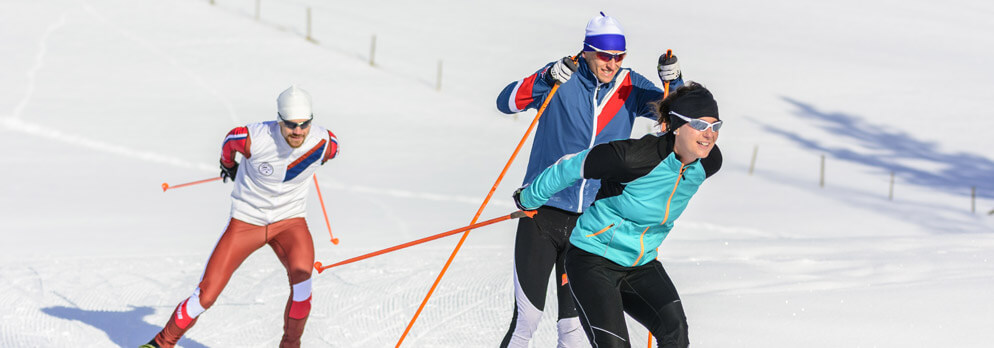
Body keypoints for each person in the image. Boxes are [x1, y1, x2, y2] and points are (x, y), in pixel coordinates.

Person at [495, 12, 684, 347]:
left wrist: (677, 82)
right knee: (527, 320)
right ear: (587, 52)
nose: (612, 64)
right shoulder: (561, 78)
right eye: (605, 56)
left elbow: (675, 121)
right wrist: (544, 78)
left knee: (572, 328)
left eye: (619, 57)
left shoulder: (630, 86)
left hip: (592, 226)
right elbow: (506, 102)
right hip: (542, 215)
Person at [513, 82, 722, 348]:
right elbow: (571, 167)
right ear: (677, 125)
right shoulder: (632, 158)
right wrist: (529, 197)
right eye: (701, 125)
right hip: (593, 260)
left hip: (640, 263)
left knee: (675, 330)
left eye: (715, 126)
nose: (709, 135)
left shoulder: (708, 162)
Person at [141, 85, 340, 348]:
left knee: (303, 289)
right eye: (291, 124)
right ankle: (160, 344)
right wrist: (228, 164)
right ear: (279, 119)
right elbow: (229, 142)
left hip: (290, 222)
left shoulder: (325, 142)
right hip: (247, 221)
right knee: (206, 295)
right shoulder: (254, 137)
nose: (298, 131)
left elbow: (331, 152)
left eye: (305, 124)